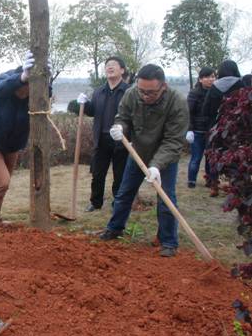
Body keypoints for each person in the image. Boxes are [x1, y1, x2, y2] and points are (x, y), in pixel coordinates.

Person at [99, 64, 189, 258]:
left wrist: (156, 165)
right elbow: (122, 117)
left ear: (163, 86)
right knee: (124, 193)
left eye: (151, 93)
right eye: (142, 91)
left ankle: (168, 241)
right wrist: (120, 128)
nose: (145, 96)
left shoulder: (177, 102)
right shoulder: (132, 95)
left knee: (166, 199)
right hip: (138, 153)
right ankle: (114, 229)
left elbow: (174, 141)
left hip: (165, 158)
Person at [0, 52, 51, 229]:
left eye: (29, 91)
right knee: (2, 182)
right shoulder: (5, 80)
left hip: (12, 146)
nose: (25, 94)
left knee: (4, 185)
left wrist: (47, 78)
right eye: (23, 88)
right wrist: (23, 76)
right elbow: (0, 88)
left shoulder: (34, 90)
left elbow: (47, 94)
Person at [72, 56, 130, 212]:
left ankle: (118, 203)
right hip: (101, 139)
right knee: (98, 174)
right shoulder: (99, 91)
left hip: (121, 139)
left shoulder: (129, 92)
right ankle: (95, 202)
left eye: (114, 65)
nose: (109, 67)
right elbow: (92, 112)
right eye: (107, 66)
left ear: (122, 70)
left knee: (120, 174)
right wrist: (84, 104)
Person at [202, 60, 244, 196]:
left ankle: (214, 186)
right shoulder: (242, 84)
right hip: (236, 128)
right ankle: (234, 186)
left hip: (216, 128)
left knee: (214, 156)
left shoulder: (215, 87)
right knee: (235, 157)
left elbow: (206, 109)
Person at [186, 67, 216, 189]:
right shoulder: (194, 93)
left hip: (212, 131)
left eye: (213, 76)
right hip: (197, 131)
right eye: (207, 77)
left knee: (210, 158)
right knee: (196, 157)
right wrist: (189, 129)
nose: (211, 79)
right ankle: (191, 180)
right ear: (200, 79)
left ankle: (210, 180)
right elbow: (188, 112)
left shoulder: (216, 92)